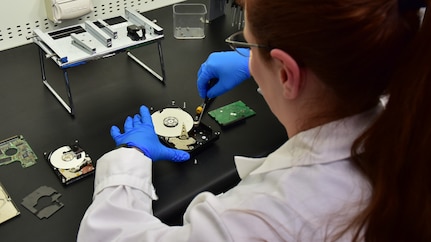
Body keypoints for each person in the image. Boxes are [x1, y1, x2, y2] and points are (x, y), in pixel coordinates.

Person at [78, 0, 431, 241]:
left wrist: (129, 162)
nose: (247, 56)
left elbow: (108, 236)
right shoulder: (402, 116)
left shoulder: (258, 220)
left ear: (287, 74)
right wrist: (257, 64)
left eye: (248, 45)